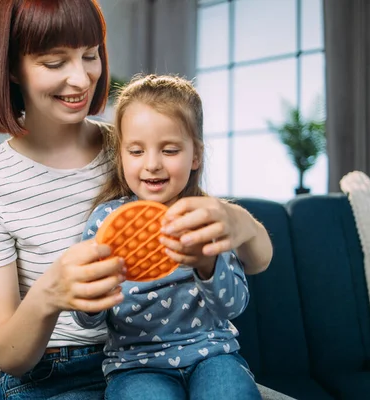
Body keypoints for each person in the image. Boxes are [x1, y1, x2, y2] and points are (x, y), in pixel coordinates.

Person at [0, 1, 272, 399]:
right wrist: (50, 293)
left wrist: (239, 221)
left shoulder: (136, 146)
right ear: (10, 68)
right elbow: (9, 356)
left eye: (90, 55)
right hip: (55, 375)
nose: (81, 78)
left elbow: (253, 259)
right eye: (55, 62)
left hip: (174, 357)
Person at [71, 74, 264, 400]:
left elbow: (233, 306)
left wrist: (207, 263)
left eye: (170, 149)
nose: (152, 165)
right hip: (135, 366)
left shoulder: (205, 217)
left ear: (196, 156)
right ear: (121, 156)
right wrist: (93, 293)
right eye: (136, 151)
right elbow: (87, 322)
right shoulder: (105, 222)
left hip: (212, 355)